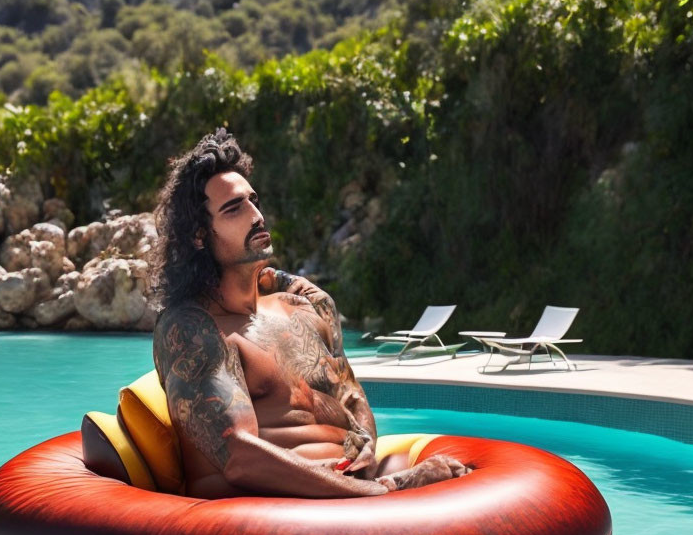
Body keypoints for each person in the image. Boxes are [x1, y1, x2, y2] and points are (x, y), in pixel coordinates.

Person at [151, 129, 470, 499]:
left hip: (346, 482)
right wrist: (372, 493)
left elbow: (350, 396)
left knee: (460, 478)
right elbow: (238, 457)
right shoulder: (195, 329)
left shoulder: (300, 308)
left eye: (254, 201)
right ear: (199, 236)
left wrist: (367, 446)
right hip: (277, 510)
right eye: (234, 208)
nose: (257, 216)